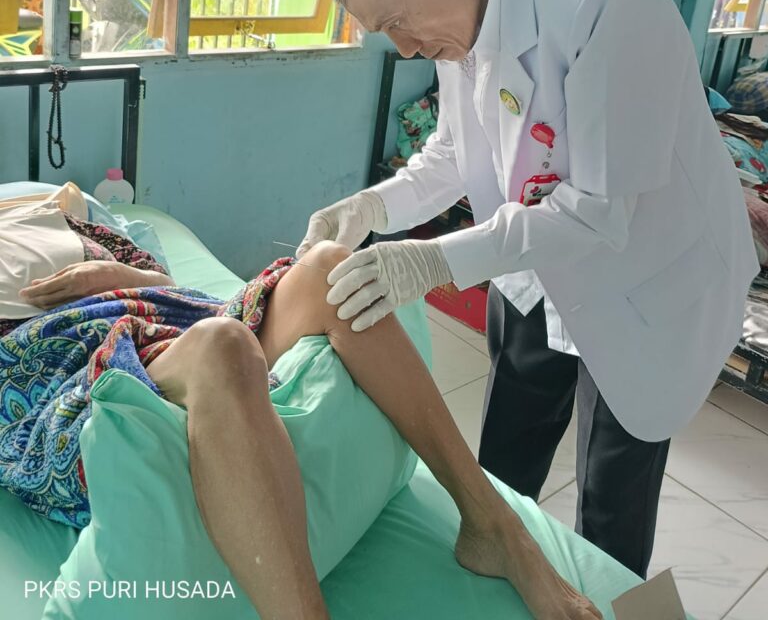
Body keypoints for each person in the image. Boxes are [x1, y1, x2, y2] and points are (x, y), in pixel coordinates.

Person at [300, 0, 760, 579]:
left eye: (397, 23)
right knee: (506, 457)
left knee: (612, 496)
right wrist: (371, 207)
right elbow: (455, 153)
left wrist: (432, 261)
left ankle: (602, 599)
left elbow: (598, 213)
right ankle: (500, 557)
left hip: (643, 278)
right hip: (533, 266)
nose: (406, 48)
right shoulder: (456, 17)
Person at [0, 198, 602, 620]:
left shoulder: (63, 217)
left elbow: (162, 279)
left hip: (159, 316)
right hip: (62, 373)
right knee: (222, 345)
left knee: (331, 269)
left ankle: (493, 525)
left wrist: (117, 272)